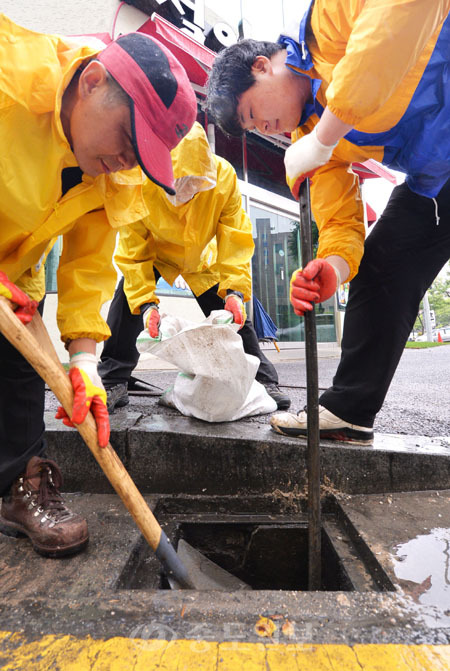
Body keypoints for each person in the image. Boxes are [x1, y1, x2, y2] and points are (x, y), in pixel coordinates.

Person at [206, 0, 450, 445]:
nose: (267, 127)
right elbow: (340, 220)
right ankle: (348, 412)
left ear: (262, 66)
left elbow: (396, 23)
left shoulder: (326, 22)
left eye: (253, 113)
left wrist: (325, 135)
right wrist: (332, 268)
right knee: (383, 264)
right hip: (440, 180)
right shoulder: (309, 146)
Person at [0, 14, 196, 557]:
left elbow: (87, 269)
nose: (128, 160)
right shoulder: (10, 68)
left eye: (142, 157)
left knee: (19, 378)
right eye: (129, 139)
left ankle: (18, 486)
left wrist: (85, 367)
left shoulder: (113, 173)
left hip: (15, 274)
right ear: (92, 82)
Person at [98, 122, 291, 412]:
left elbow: (235, 238)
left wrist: (235, 291)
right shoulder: (138, 181)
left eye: (193, 183)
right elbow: (133, 251)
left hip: (202, 258)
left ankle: (262, 381)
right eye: (178, 182)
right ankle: (113, 381)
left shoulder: (224, 179)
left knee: (234, 317)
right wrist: (146, 304)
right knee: (126, 303)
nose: (185, 191)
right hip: (155, 255)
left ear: (206, 170)